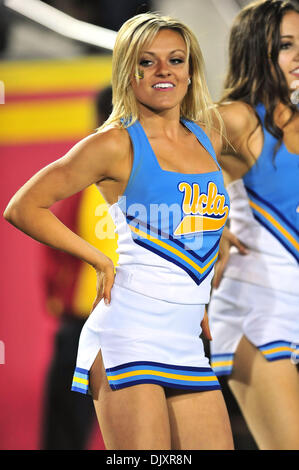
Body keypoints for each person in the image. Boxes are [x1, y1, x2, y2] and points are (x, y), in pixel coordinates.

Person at [3, 13, 234, 450]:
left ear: (190, 71)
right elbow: (23, 207)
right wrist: (98, 258)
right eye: (147, 61)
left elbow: (201, 221)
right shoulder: (113, 144)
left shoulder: (209, 139)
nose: (163, 70)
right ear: (129, 71)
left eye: (175, 59)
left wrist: (202, 281)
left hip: (186, 339)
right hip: (128, 332)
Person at [208, 0, 299, 450]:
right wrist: (204, 222)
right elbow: (155, 157)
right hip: (258, 310)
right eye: (285, 45)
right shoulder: (237, 119)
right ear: (255, 51)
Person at [41, 86, 115, 450]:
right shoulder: (79, 176)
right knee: (66, 429)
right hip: (83, 324)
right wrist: (60, 297)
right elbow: (53, 239)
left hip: (143, 322)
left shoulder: (158, 175)